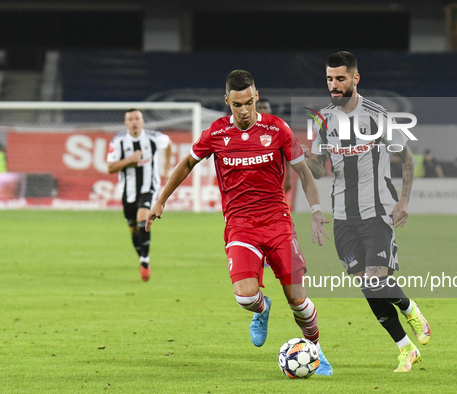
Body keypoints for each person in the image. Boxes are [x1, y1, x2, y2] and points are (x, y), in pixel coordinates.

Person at [146, 70, 333, 375]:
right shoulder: (216, 135)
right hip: (240, 225)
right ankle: (262, 309)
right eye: (237, 105)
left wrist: (314, 210)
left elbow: (304, 173)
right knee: (245, 297)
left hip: (277, 223)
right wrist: (161, 200)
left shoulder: (278, 129)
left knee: (298, 299)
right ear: (227, 102)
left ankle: (316, 350)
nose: (244, 110)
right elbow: (187, 163)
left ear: (256, 96)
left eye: (248, 102)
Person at [302, 51, 430, 373]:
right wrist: (307, 158)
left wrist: (404, 200)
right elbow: (318, 170)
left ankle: (408, 308)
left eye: (340, 78)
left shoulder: (377, 114)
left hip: (377, 211)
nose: (334, 84)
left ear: (355, 79)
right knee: (365, 284)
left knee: (375, 280)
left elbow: (407, 157)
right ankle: (406, 347)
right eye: (330, 79)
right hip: (343, 216)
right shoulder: (323, 120)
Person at [107, 109, 172, 282]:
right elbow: (110, 167)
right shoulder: (119, 140)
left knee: (142, 218)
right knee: (133, 228)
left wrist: (166, 168)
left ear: (142, 121)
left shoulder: (153, 137)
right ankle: (143, 258)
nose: (134, 122)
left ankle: (144, 260)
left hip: (148, 186)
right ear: (126, 123)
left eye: (137, 118)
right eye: (130, 119)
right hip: (127, 190)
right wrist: (130, 160)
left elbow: (169, 144)